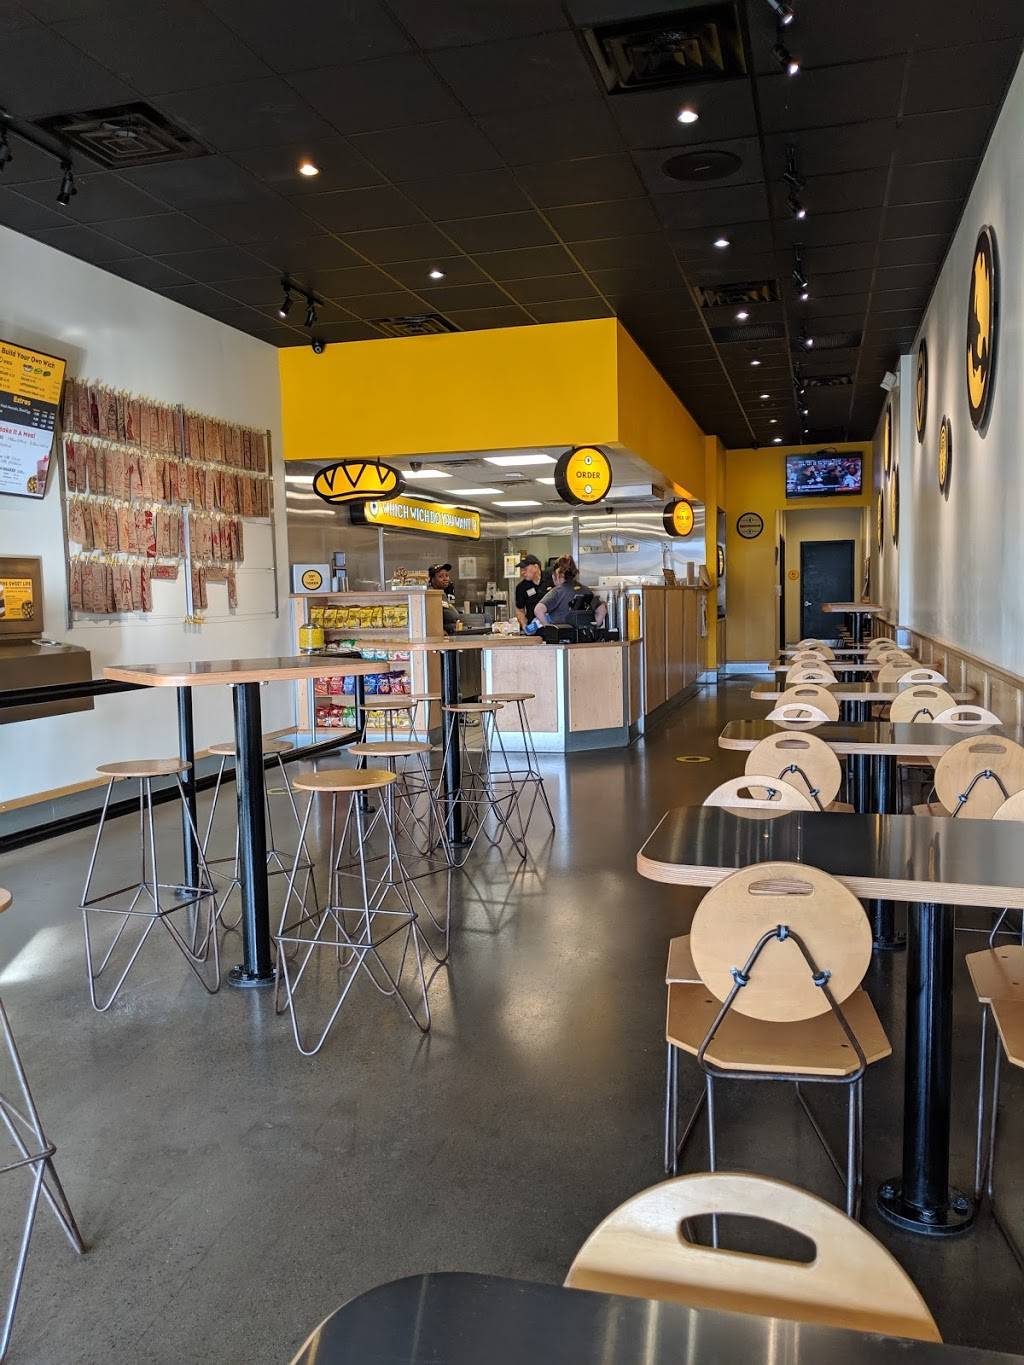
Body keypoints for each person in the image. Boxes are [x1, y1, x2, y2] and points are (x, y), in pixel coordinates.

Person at [531, 555, 606, 631]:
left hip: (561, 634)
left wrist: (549, 629)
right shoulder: (586, 590)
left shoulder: (557, 591)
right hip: (583, 635)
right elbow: (602, 610)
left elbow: (538, 610)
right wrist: (592, 626)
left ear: (556, 575)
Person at [428, 562, 462, 633]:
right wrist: (441, 630)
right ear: (432, 579)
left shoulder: (442, 593)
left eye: (447, 575)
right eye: (441, 576)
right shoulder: (431, 595)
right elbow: (430, 617)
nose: (445, 579)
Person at [514, 554, 546, 629]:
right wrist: (524, 626)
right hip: (534, 627)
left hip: (553, 625)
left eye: (525, 569)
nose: (522, 572)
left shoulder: (552, 579)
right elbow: (520, 610)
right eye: (521, 570)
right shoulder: (521, 587)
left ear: (536, 567)